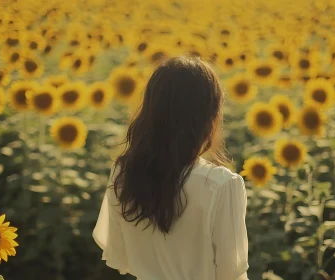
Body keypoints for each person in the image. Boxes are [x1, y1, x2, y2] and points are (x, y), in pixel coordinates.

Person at [93, 56, 249, 280]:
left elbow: (121, 256)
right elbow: (232, 275)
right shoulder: (221, 186)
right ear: (209, 117)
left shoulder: (124, 172)